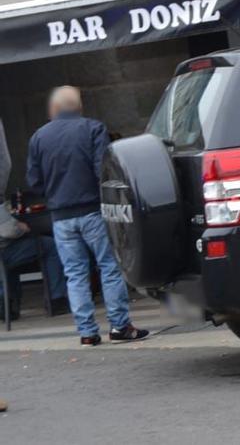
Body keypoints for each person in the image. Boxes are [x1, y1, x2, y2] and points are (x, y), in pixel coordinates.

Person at [27, 86, 148, 345]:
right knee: (109, 267)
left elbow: (34, 182)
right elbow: (102, 172)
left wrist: (54, 193)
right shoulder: (93, 129)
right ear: (78, 106)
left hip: (60, 217)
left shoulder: (38, 137)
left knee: (75, 273)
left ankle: (87, 332)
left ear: (54, 109)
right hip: (93, 210)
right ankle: (119, 326)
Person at [1, 116, 68, 321]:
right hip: (4, 251)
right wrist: (21, 227)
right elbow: (7, 230)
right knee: (51, 245)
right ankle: (57, 300)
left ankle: (9, 304)